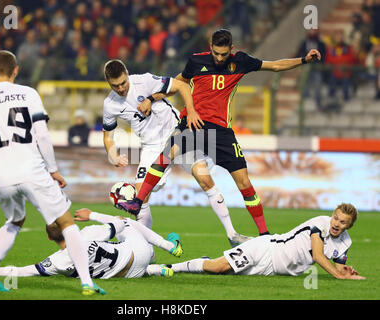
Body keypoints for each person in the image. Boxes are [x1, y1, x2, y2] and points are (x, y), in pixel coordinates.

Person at [119, 29, 321, 237]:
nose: (219, 58)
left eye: (224, 54)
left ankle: (264, 234)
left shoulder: (241, 61)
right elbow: (177, 84)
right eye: (216, 53)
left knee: (244, 182)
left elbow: (276, 66)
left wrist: (304, 60)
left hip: (221, 132)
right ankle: (137, 202)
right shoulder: (196, 62)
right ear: (211, 48)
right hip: (194, 123)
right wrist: (152, 98)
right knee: (167, 153)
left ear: (231, 50)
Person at [0, 50, 103, 296]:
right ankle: (87, 283)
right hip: (31, 169)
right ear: (16, 70)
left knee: (14, 222)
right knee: (66, 222)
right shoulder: (29, 94)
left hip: (1, 173)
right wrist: (53, 170)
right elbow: (43, 136)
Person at [102, 59, 251, 247]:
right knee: (140, 196)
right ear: (108, 83)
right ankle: (141, 245)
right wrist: (113, 155)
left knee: (204, 178)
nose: (121, 88)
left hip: (176, 133)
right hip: (151, 145)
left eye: (123, 83)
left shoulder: (144, 81)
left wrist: (189, 111)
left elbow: (182, 85)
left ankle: (232, 234)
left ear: (127, 73)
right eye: (115, 86)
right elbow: (108, 137)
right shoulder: (110, 104)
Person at [162, 203, 365, 280]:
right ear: (332, 216)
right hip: (266, 249)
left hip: (272, 269)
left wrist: (345, 272)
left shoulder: (344, 243)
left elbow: (339, 268)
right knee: (217, 268)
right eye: (336, 218)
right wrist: (340, 277)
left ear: (349, 226)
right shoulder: (320, 224)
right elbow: (318, 256)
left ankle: (205, 261)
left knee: (223, 271)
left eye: (343, 222)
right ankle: (167, 267)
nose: (337, 223)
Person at [0, 209, 182, 279]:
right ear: (68, 226)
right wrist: (93, 214)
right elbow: (119, 225)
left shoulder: (56, 262)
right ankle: (168, 247)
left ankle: (154, 269)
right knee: (126, 222)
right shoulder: (88, 233)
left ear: (50, 238)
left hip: (126, 276)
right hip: (138, 256)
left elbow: (19, 271)